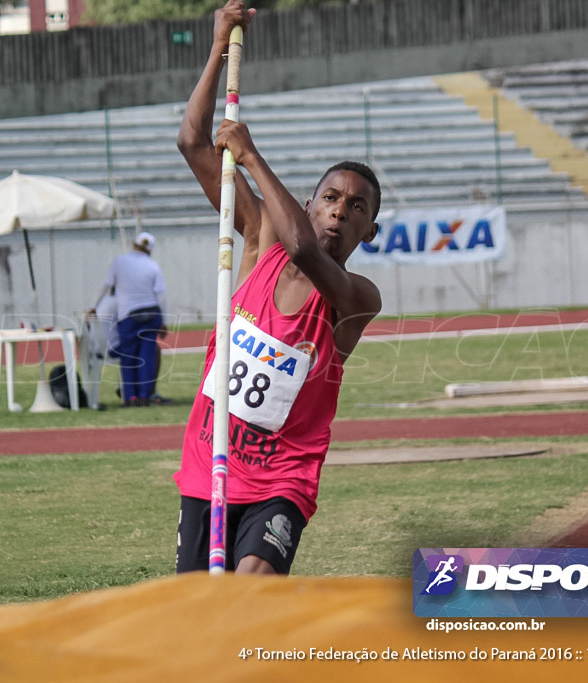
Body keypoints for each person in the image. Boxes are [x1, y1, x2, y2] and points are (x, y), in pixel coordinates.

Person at [173, 1, 382, 575]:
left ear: (370, 230)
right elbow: (193, 143)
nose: (340, 213)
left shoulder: (357, 297)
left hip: (283, 475)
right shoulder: (260, 234)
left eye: (357, 208)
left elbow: (306, 251)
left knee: (249, 590)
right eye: (331, 199)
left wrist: (252, 155)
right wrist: (218, 45)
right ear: (310, 203)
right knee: (193, 609)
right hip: (211, 457)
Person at [88, 232, 168, 406]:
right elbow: (161, 295)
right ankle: (145, 396)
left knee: (129, 357)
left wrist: (93, 306)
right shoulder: (153, 265)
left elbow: (105, 285)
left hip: (129, 316)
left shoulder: (119, 262)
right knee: (147, 356)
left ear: (134, 244)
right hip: (151, 313)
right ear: (149, 249)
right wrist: (164, 321)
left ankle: (130, 397)